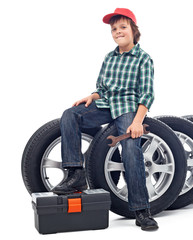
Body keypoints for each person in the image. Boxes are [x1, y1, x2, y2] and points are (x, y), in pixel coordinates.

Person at [52, 8, 157, 230]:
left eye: (123, 27)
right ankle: (75, 174)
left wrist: (137, 121)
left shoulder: (143, 59)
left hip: (128, 107)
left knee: (130, 149)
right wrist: (92, 96)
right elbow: (102, 88)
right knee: (70, 114)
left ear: (133, 31)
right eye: (114, 29)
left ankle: (141, 210)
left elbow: (147, 94)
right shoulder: (109, 57)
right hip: (106, 104)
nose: (118, 32)